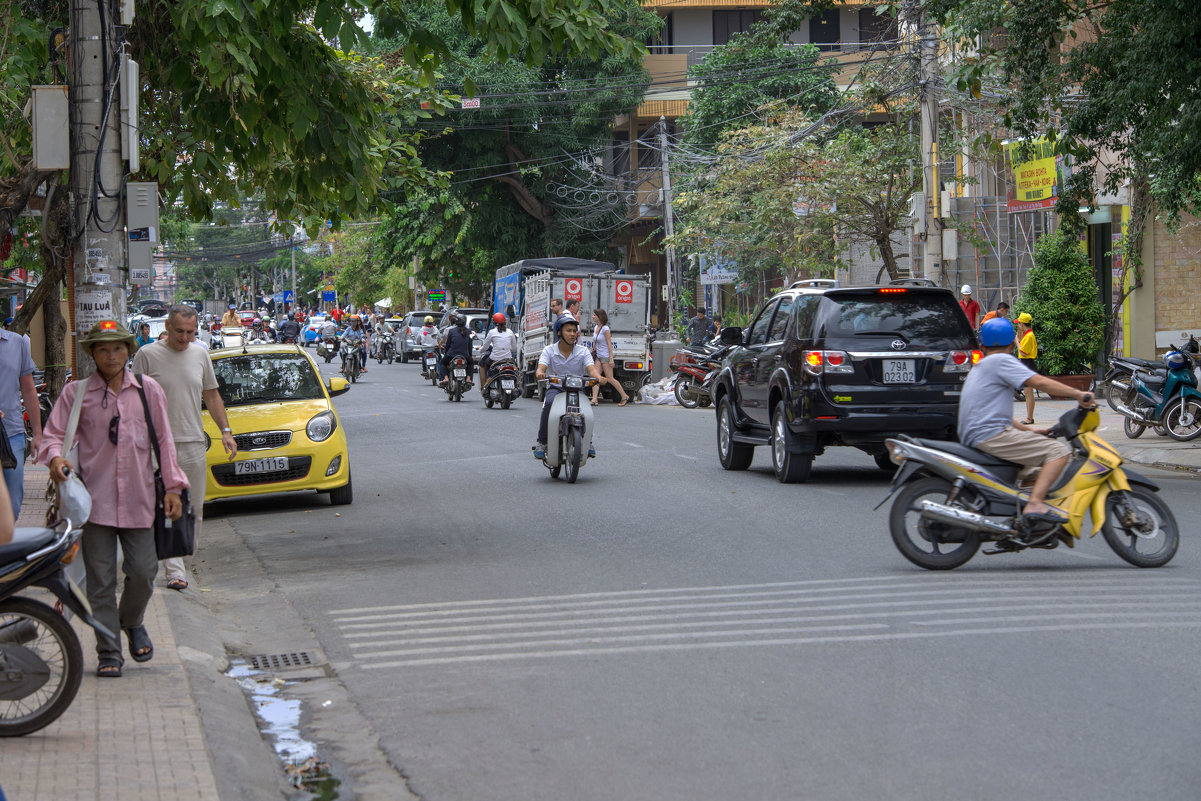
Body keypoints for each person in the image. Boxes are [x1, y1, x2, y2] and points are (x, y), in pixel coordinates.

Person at [39, 321, 188, 678]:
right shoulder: (76, 394)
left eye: (118, 348)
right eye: (103, 349)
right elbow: (52, 436)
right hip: (94, 505)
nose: (111, 355)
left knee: (143, 572)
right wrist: (56, 458)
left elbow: (165, 442)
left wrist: (173, 487)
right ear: (92, 354)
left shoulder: (148, 391)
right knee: (101, 582)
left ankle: (131, 621)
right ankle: (109, 651)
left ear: (128, 351)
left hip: (140, 502)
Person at [132, 305, 238, 591]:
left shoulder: (200, 353)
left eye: (191, 332)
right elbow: (132, 399)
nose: (185, 338)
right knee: (164, 506)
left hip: (192, 441)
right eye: (179, 331)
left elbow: (211, 394)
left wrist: (225, 431)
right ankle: (174, 569)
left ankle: (184, 564)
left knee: (194, 509)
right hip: (155, 445)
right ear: (167, 326)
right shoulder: (147, 355)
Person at [959, 317, 1093, 523]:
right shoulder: (1002, 361)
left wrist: (1030, 432)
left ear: (983, 345)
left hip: (979, 434)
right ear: (1012, 344)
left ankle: (1022, 519)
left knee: (1035, 470)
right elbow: (1039, 381)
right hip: (991, 435)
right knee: (1058, 451)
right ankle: (1035, 505)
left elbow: (998, 414)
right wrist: (1078, 394)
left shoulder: (982, 366)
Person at [533, 313, 603, 460]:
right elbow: (541, 368)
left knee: (586, 412)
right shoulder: (549, 350)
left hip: (577, 389)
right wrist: (540, 373)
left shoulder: (583, 351)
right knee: (549, 404)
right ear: (559, 332)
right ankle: (542, 442)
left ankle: (587, 442)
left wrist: (599, 378)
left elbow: (591, 370)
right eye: (568, 331)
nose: (572, 334)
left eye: (574, 331)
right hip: (555, 388)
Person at [1, 320, 41, 520]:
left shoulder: (16, 343)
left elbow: (28, 388)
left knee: (13, 504)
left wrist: (38, 434)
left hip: (12, 433)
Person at [590, 308, 629, 406]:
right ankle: (594, 399)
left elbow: (609, 344)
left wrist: (611, 359)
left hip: (606, 356)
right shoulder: (596, 328)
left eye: (594, 315)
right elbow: (595, 341)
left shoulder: (605, 329)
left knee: (610, 378)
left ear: (599, 317)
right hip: (598, 356)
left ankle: (624, 396)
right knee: (595, 377)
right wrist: (594, 348)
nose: (593, 317)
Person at [478, 312, 518, 390]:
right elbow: (514, 348)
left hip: (494, 359)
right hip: (508, 359)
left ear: (494, 323)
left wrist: (480, 350)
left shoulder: (492, 332)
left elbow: (485, 347)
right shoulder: (510, 332)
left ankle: (485, 385)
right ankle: (516, 385)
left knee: (483, 364)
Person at [1014, 312, 1038, 424]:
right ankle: (1029, 417)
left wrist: (1017, 342)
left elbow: (1023, 352)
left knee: (1028, 393)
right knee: (1028, 393)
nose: (1018, 326)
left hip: (1027, 363)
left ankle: (1029, 417)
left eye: (1019, 324)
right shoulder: (1027, 334)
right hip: (1026, 364)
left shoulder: (1029, 337)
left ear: (1022, 324)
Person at [438, 313, 474, 386]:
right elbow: (470, 345)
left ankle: (446, 378)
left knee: (443, 363)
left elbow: (448, 344)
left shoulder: (452, 331)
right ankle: (468, 379)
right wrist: (469, 355)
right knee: (471, 363)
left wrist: (446, 353)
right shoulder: (469, 331)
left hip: (451, 355)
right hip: (465, 355)